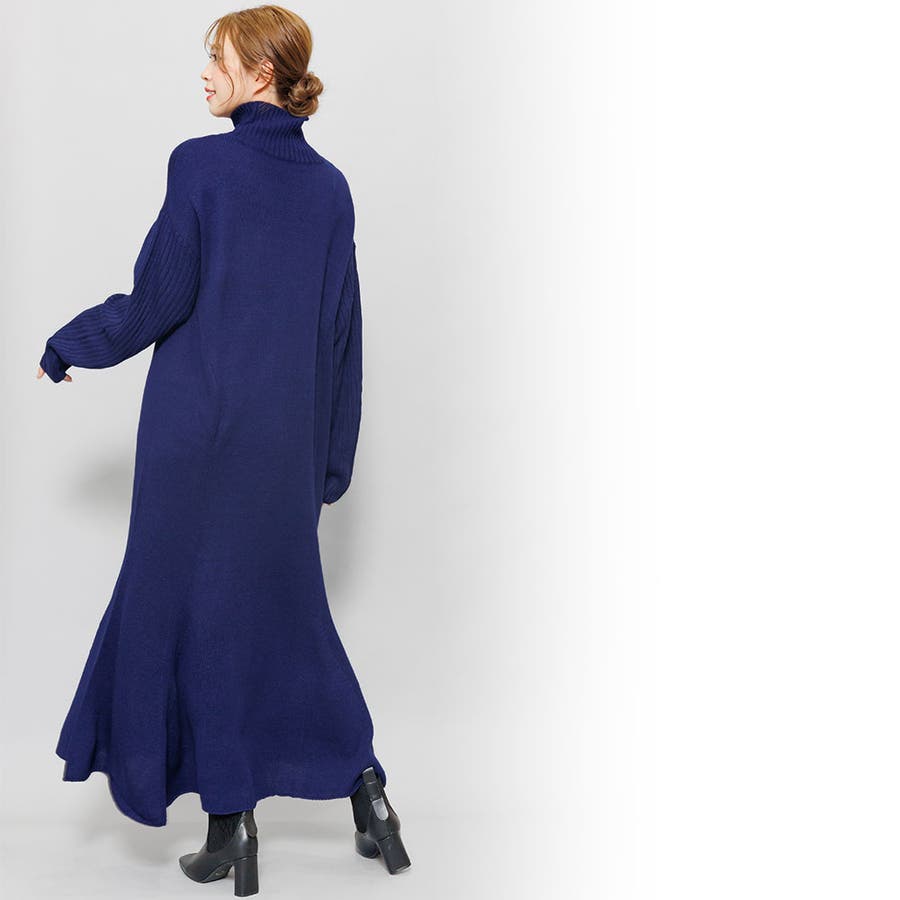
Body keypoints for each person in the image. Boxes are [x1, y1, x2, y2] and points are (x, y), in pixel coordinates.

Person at [36, 6, 409, 893]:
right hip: (281, 457)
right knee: (280, 620)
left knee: (182, 617)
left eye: (219, 57)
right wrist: (329, 463)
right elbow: (343, 336)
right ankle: (363, 793)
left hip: (194, 441)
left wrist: (69, 343)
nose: (205, 72)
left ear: (262, 71)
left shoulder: (200, 166)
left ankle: (233, 827)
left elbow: (158, 298)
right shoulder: (331, 190)